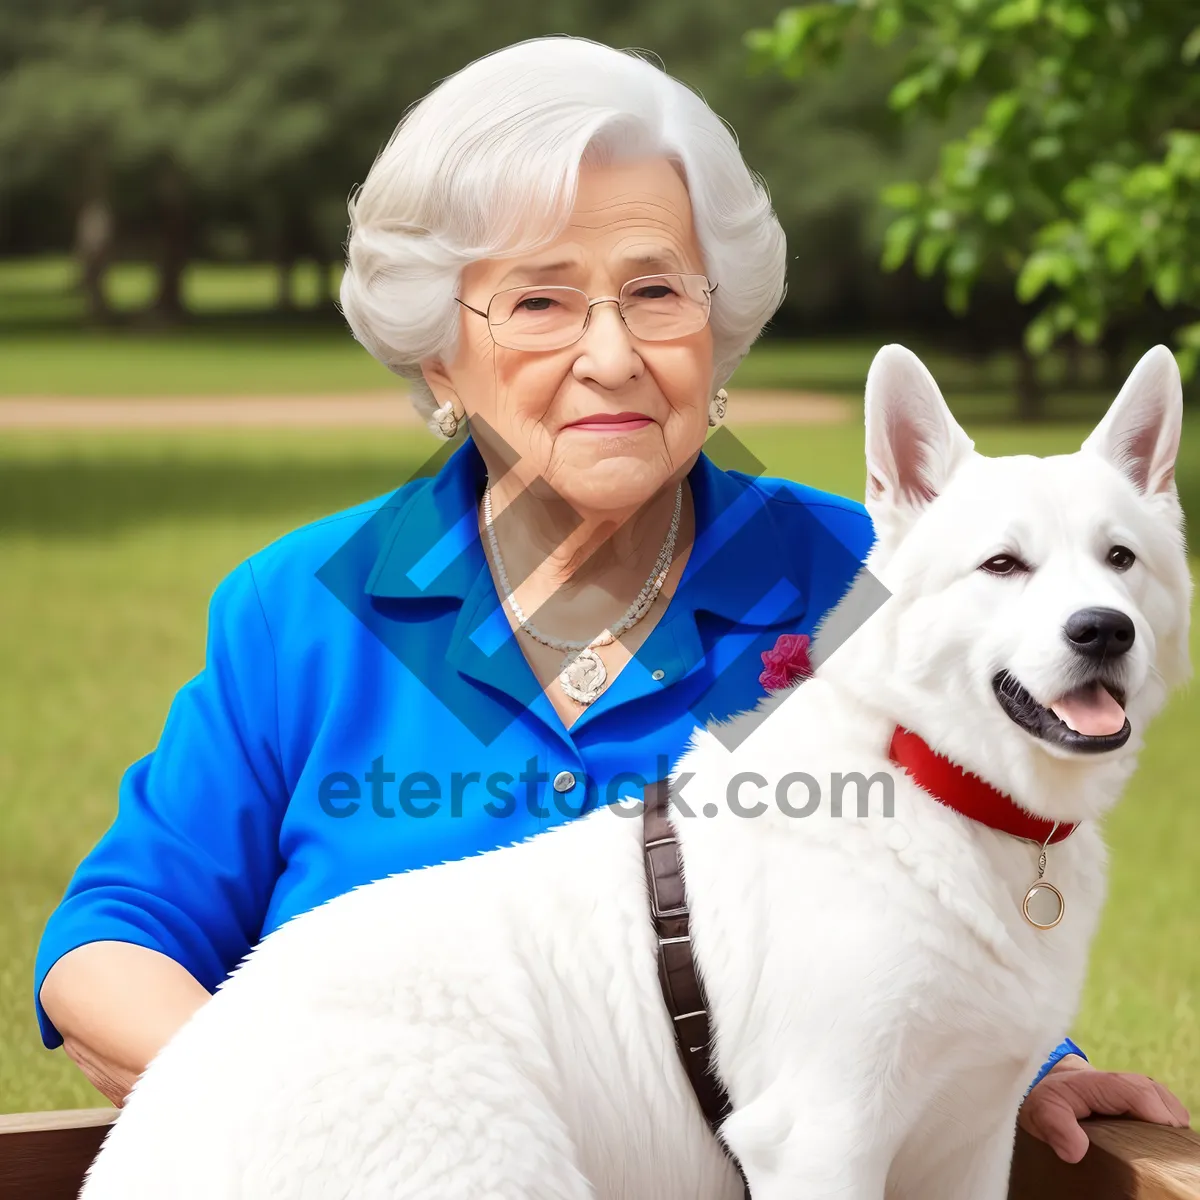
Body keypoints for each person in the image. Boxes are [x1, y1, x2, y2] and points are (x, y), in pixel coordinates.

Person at [34, 35, 1188, 1168]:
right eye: (540, 303)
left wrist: (1029, 1060)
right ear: (441, 355)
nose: (612, 354)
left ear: (717, 329)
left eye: (655, 292)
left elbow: (944, 891)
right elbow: (110, 945)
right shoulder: (306, 613)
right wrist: (316, 1102)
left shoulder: (859, 588)